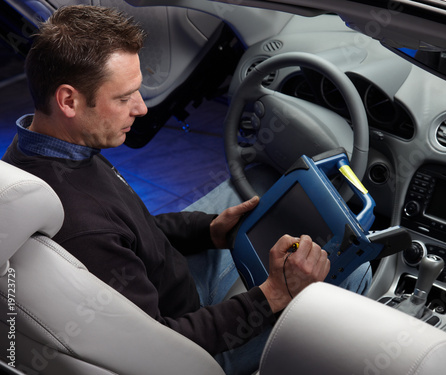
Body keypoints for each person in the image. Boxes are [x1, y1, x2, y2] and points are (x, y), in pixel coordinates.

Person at [2, 5, 370, 374]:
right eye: (123, 97)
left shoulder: (36, 152)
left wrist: (206, 229)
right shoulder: (85, 227)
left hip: (167, 277)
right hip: (198, 337)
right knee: (347, 266)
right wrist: (274, 294)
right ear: (68, 101)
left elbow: (132, 230)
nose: (142, 108)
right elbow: (162, 345)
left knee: (257, 180)